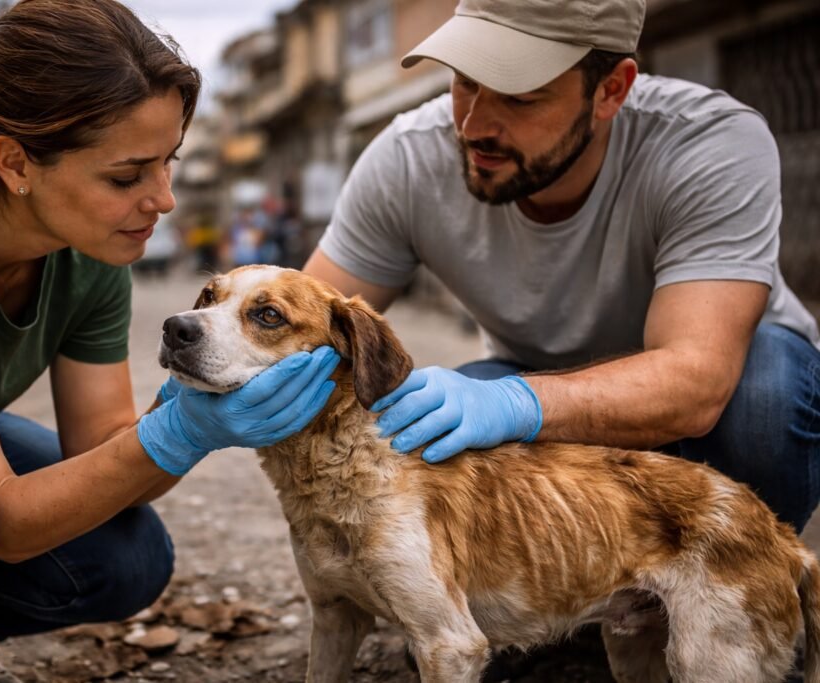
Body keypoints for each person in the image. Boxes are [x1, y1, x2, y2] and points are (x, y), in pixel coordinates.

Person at [0, 2, 338, 682]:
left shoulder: (87, 244)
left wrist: (190, 398)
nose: (163, 200)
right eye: (126, 175)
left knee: (125, 551)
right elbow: (9, 521)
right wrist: (183, 431)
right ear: (14, 162)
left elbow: (105, 443)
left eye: (168, 163)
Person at [305, 1, 820, 532]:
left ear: (611, 91)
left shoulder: (707, 141)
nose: (474, 125)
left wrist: (513, 403)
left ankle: (749, 584)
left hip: (711, 404)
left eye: (519, 98)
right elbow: (305, 322)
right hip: (543, 387)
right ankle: (563, 601)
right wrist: (223, 398)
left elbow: (696, 380)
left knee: (764, 401)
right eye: (464, 83)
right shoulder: (408, 158)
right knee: (434, 426)